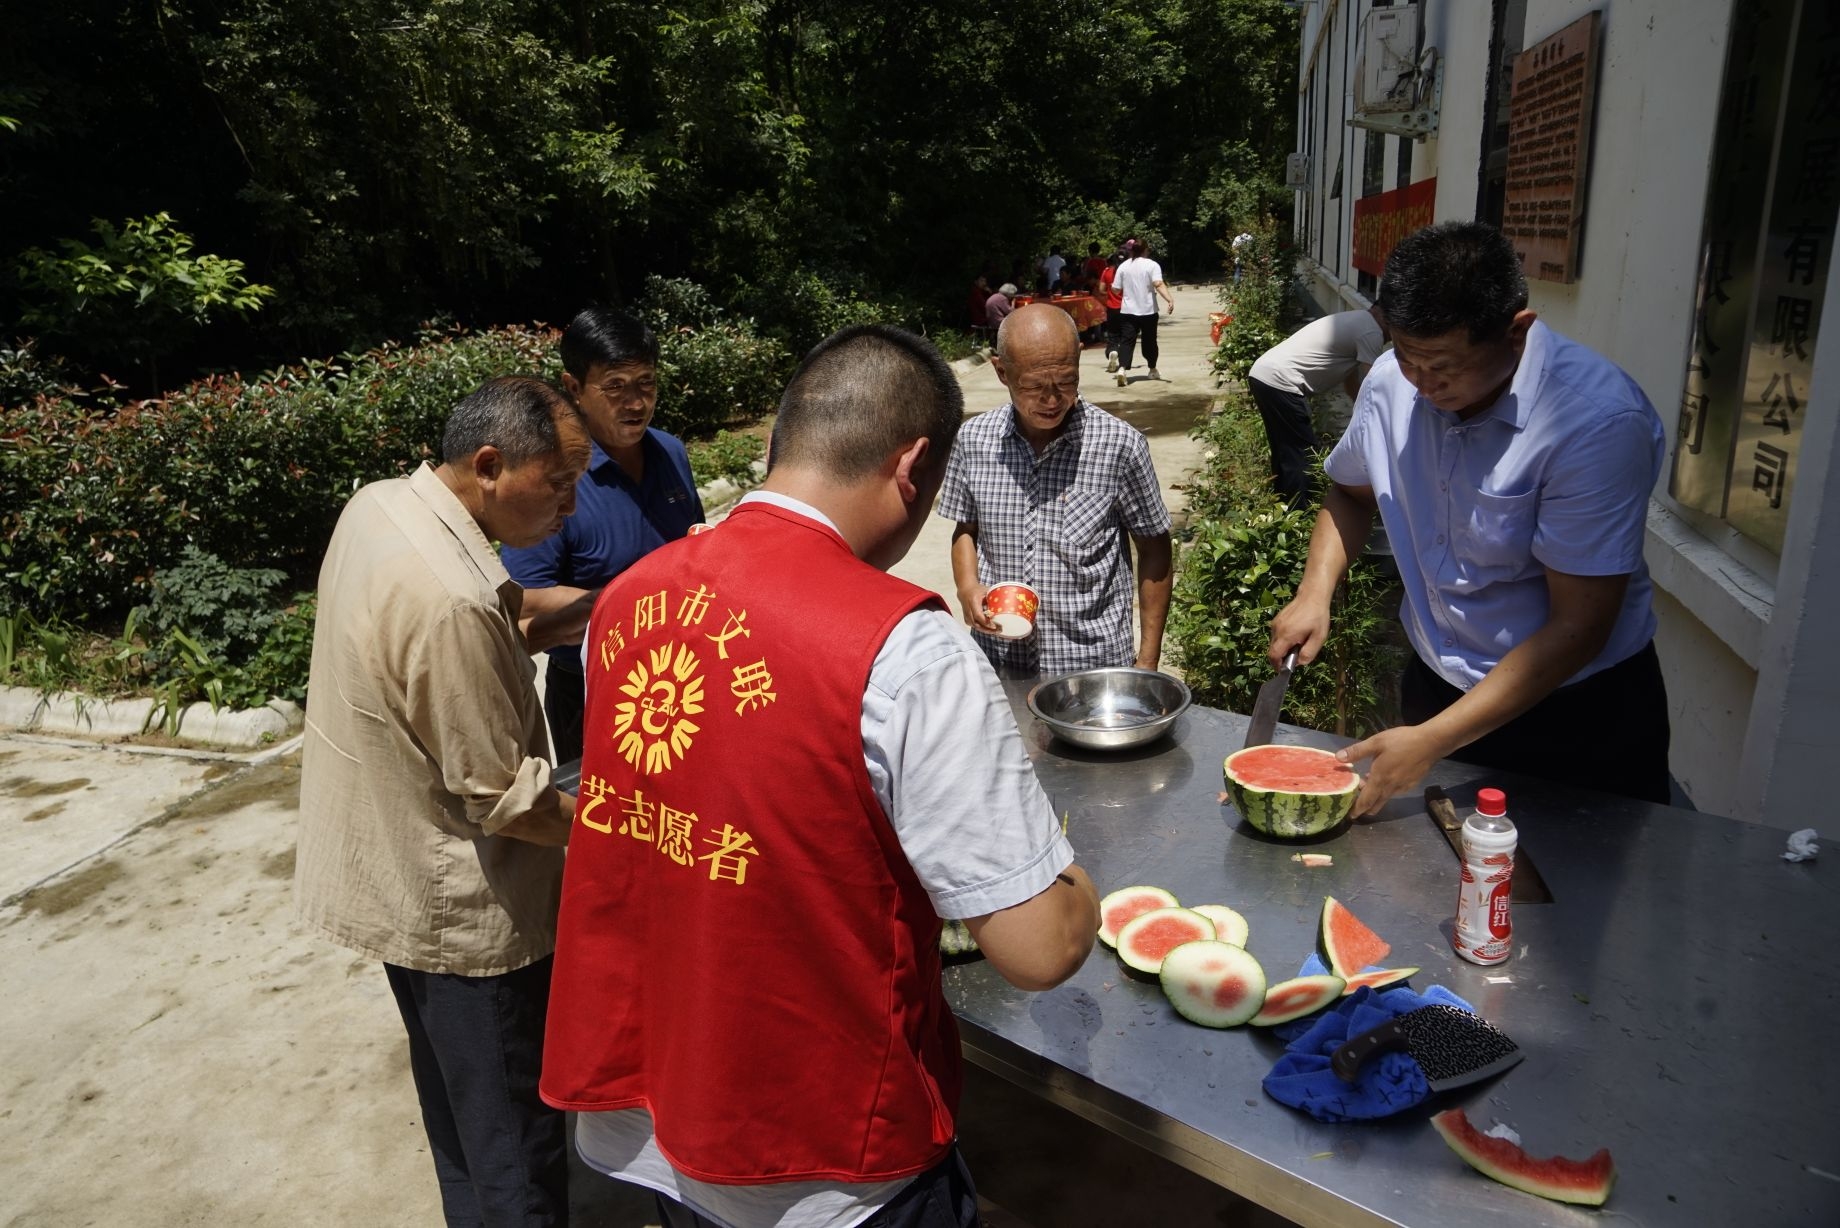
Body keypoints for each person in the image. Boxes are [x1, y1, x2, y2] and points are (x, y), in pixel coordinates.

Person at [541, 324, 1101, 1228]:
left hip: (656, 1124)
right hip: (831, 1159)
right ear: (912, 466)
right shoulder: (905, 646)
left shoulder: (629, 597)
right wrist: (1074, 883)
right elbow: (1036, 951)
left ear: (780, 440)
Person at [295, 376, 587, 1226]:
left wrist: (600, 609)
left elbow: (499, 618)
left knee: (462, 1125)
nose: (570, 505)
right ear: (491, 464)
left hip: (390, 876)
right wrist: (634, 821)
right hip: (464, 914)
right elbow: (508, 797)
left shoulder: (384, 505)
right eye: (560, 481)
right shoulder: (449, 602)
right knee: (515, 1149)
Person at [1268, 221, 1671, 816]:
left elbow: (1579, 629)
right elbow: (1351, 495)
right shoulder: (1389, 385)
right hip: (1436, 682)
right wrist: (1314, 592)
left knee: (1580, 894)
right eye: (1407, 356)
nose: (1423, 384)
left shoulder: (1597, 425)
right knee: (1424, 882)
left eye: (1444, 366)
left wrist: (1433, 741)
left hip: (1575, 712)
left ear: (1517, 332)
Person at [503, 307, 705, 765]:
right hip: (593, 690)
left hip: (685, 675)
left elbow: (696, 543)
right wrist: (627, 603)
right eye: (615, 386)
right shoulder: (549, 476)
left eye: (646, 383)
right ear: (574, 388)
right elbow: (520, 596)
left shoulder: (671, 451)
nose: (635, 402)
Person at [939, 303, 1173, 677]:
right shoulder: (974, 440)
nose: (1051, 400)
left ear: (1078, 361)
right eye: (1033, 386)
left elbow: (1154, 547)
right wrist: (968, 586)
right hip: (997, 658)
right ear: (1002, 371)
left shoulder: (1119, 445)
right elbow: (965, 529)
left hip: (1091, 667)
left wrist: (1146, 663)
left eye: (1066, 381)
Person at [1247, 307, 1390, 506]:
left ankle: (1282, 507)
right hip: (1282, 382)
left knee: (1286, 451)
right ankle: (1299, 515)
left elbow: (1353, 386)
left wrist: (1360, 421)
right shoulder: (1371, 332)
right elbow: (1373, 386)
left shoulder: (1357, 321)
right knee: (1303, 455)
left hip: (1263, 375)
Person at [1113, 239, 1175, 386]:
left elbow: (1115, 289)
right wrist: (1169, 299)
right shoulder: (1152, 265)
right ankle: (1152, 369)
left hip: (1128, 311)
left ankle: (1122, 369)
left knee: (1127, 341)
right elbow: (1158, 284)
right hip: (1148, 311)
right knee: (1149, 341)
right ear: (1145, 250)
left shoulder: (1123, 266)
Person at [1100, 250, 1125, 370]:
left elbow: (1101, 289)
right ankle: (1122, 357)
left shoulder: (1107, 272)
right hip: (1126, 308)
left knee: (1112, 334)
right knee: (1125, 335)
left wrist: (1110, 293)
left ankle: (1112, 351)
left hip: (1111, 308)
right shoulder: (1127, 272)